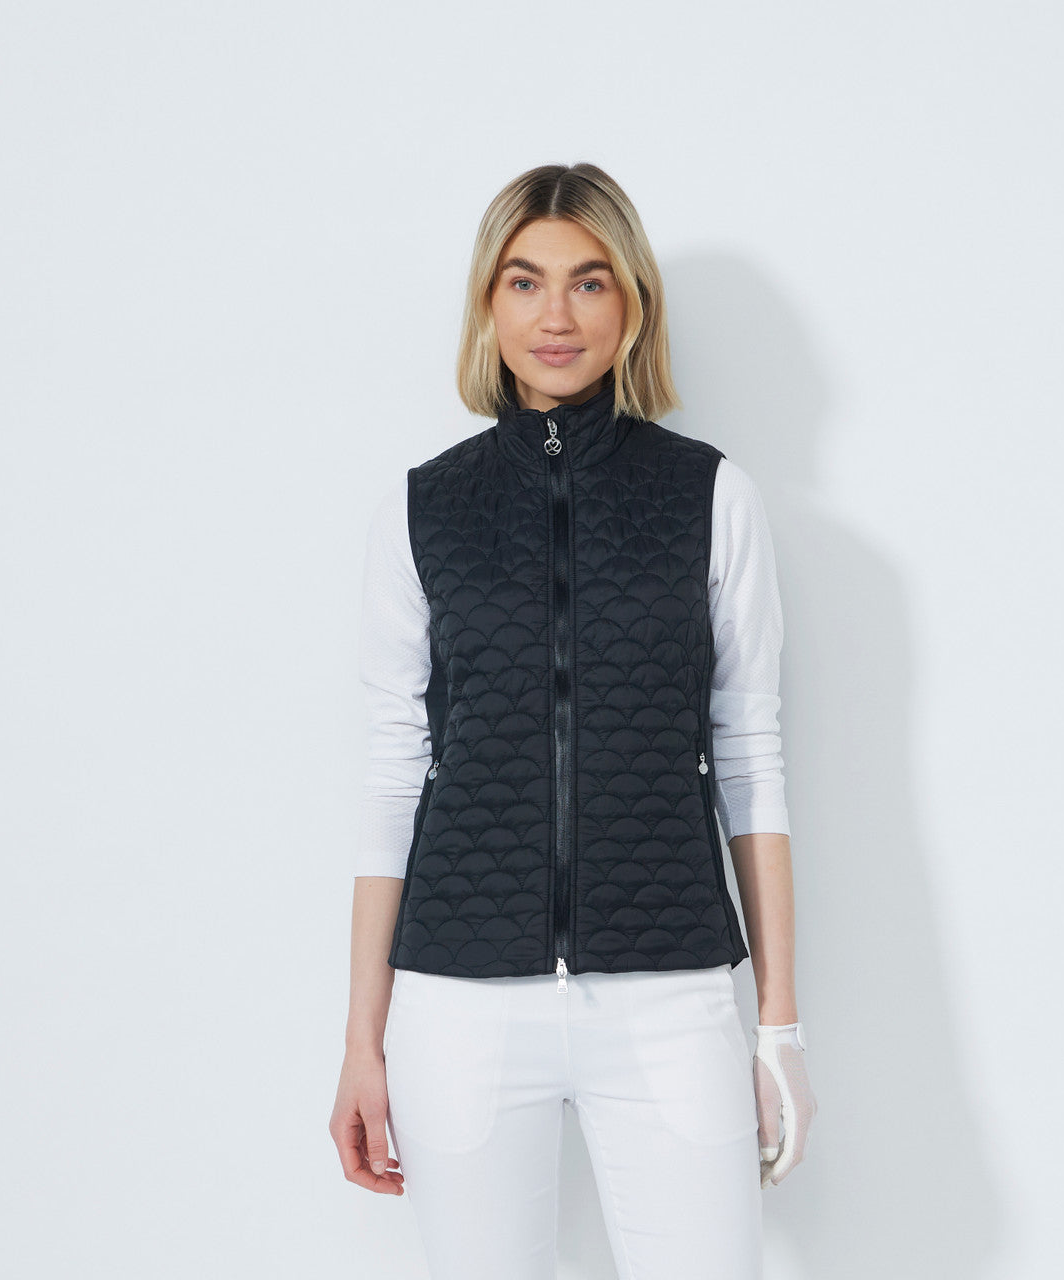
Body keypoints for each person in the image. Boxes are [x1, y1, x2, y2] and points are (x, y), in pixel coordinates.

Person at [329, 162, 817, 1280]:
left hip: (669, 993)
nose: (556, 315)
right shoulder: (422, 508)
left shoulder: (710, 496)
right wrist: (363, 1037)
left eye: (589, 282)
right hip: (457, 1002)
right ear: (487, 303)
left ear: (631, 302)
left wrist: (777, 1024)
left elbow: (749, 757)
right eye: (525, 281)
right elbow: (394, 773)